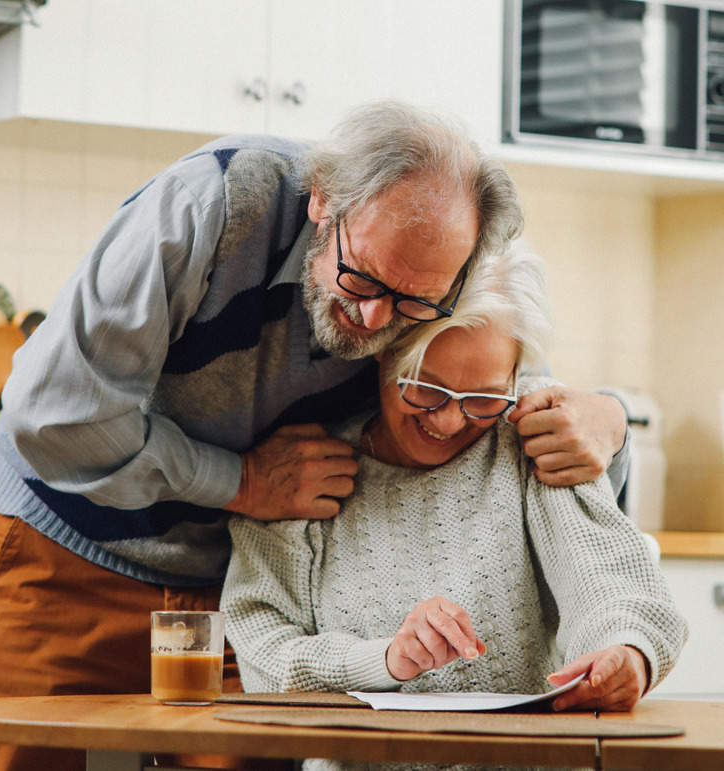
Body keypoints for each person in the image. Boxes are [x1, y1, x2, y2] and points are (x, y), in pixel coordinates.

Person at [0, 102, 627, 771]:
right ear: (322, 198)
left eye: (415, 305)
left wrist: (608, 417)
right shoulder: (214, 200)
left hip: (233, 587)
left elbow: (503, 388)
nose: (377, 319)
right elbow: (50, 414)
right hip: (66, 554)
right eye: (362, 278)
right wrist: (239, 480)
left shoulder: (443, 270)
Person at [220, 241, 687, 771]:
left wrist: (628, 655)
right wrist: (386, 660)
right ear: (382, 350)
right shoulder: (302, 476)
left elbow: (616, 588)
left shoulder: (529, 440)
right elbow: (263, 656)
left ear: (515, 380)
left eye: (484, 398)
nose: (447, 422)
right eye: (424, 389)